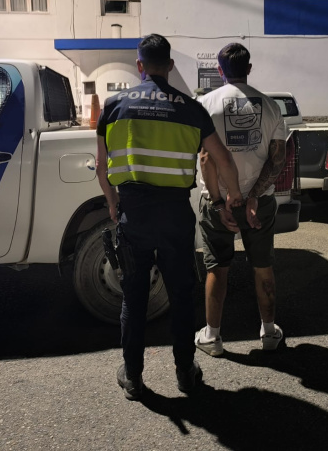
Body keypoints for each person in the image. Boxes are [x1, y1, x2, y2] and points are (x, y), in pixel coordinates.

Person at [96, 34, 243, 400]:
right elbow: (222, 159)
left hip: (134, 213)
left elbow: (101, 165)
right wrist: (232, 199)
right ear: (171, 65)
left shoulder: (113, 105)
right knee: (180, 293)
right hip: (175, 213)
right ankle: (185, 372)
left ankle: (133, 376)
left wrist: (112, 203)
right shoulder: (191, 109)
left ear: (139, 65)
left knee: (134, 295)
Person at [196, 43, 287, 357]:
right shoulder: (271, 107)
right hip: (258, 204)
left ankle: (212, 337)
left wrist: (219, 203)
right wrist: (253, 197)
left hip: (217, 202)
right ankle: (270, 333)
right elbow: (277, 160)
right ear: (249, 68)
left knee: (217, 268)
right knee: (263, 266)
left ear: (219, 70)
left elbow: (206, 158)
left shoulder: (205, 104)